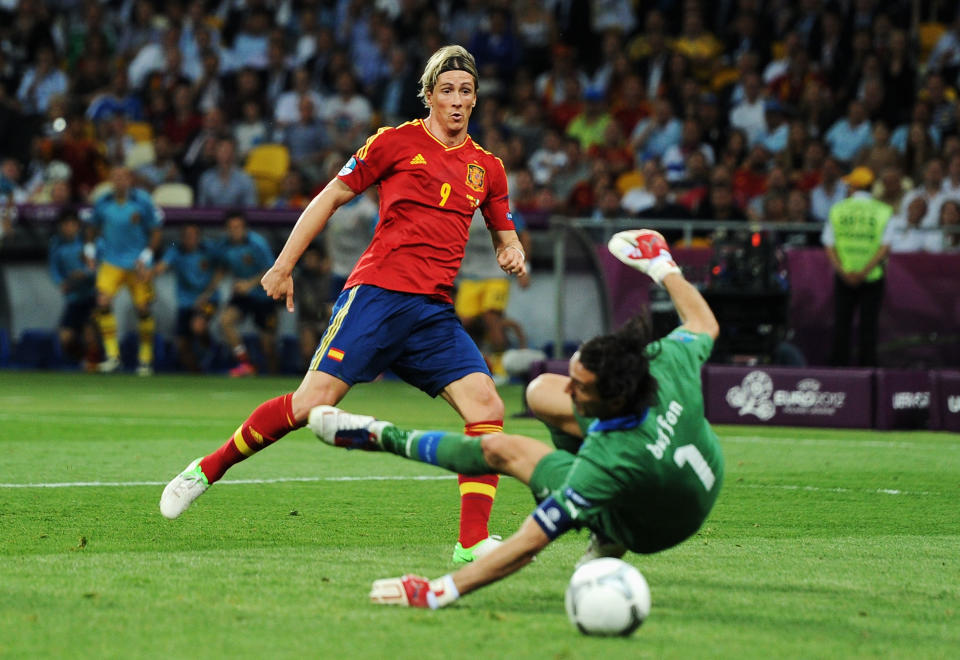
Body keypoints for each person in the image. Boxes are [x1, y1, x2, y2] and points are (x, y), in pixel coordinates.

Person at [160, 45, 527, 565]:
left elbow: (504, 232)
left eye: (466, 91)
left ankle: (470, 543)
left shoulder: (487, 168)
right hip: (376, 297)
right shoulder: (394, 142)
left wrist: (511, 250)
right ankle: (207, 469)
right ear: (428, 96)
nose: (457, 100)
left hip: (432, 314)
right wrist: (283, 265)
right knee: (309, 405)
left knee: (487, 407)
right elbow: (328, 197)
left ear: (475, 99)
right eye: (446, 90)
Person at [307, 229, 723, 609]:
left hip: (652, 528)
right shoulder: (664, 362)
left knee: (499, 449)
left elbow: (526, 544)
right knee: (540, 392)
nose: (571, 390)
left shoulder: (605, 466)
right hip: (696, 473)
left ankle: (378, 435)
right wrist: (661, 265)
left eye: (580, 388)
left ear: (612, 398)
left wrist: (437, 591)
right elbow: (703, 323)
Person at [85, 166, 164, 375]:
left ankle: (145, 360)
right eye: (115, 177)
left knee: (143, 308)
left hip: (136, 263)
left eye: (123, 177)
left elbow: (155, 231)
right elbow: (92, 228)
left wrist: (146, 257)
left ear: (130, 180)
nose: (119, 181)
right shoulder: (103, 202)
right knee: (102, 301)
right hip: (111, 261)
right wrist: (90, 250)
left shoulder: (143, 201)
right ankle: (113, 357)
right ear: (111, 180)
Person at [822, 167, 895, 367]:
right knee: (868, 328)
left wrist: (844, 272)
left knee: (841, 326)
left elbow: (829, 245)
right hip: (871, 277)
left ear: (854, 187)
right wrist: (864, 272)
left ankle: (838, 375)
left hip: (844, 276)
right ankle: (868, 374)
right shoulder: (883, 211)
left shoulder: (838, 209)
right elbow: (884, 248)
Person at [455, 208, 531, 382]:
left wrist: (524, 266)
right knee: (463, 323)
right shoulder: (461, 203)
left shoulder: (503, 205)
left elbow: (523, 235)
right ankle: (468, 368)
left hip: (497, 274)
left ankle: (500, 370)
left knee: (491, 319)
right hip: (470, 275)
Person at [215, 211, 278, 377]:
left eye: (238, 227)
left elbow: (271, 269)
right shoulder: (224, 245)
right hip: (243, 295)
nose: (234, 230)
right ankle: (245, 363)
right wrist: (209, 291)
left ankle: (274, 377)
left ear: (244, 227)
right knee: (225, 321)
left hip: (265, 295)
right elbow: (222, 267)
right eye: (231, 227)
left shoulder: (258, 243)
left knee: (268, 345)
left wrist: (249, 284)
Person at [153, 224, 222, 372]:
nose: (190, 239)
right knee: (182, 345)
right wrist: (147, 273)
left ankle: (213, 349)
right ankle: (197, 374)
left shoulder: (209, 249)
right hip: (185, 302)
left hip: (208, 299)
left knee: (198, 326)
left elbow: (221, 269)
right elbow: (161, 267)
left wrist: (207, 293)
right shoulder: (176, 251)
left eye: (193, 235)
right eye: (186, 236)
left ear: (199, 236)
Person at [48, 209, 100, 369]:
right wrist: (61, 283)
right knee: (65, 338)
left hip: (90, 296)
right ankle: (81, 362)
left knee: (90, 334)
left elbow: (97, 269)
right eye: (66, 224)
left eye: (72, 224)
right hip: (73, 299)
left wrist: (84, 274)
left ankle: (93, 366)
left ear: (78, 226)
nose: (69, 227)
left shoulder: (86, 243)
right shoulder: (56, 244)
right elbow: (54, 269)